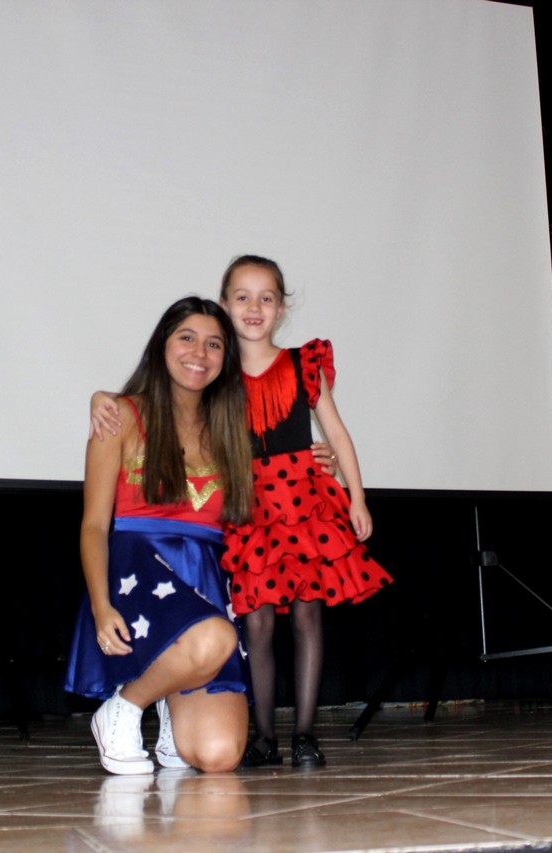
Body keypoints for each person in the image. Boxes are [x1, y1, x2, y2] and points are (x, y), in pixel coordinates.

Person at [90, 255, 393, 768]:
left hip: (302, 506)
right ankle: (263, 735)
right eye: (242, 297)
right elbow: (162, 396)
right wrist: (102, 396)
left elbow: (336, 431)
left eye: (266, 297)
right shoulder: (218, 378)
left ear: (282, 307)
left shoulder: (302, 363)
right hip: (251, 511)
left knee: (307, 613)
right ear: (226, 304)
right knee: (255, 623)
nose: (255, 307)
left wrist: (355, 493)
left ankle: (303, 733)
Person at [64, 296, 253, 776]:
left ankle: (168, 696)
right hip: (139, 572)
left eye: (214, 344)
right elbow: (93, 524)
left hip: (204, 579)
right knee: (214, 637)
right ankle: (124, 707)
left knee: (218, 755)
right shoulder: (120, 415)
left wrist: (321, 462)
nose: (199, 353)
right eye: (187, 338)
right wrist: (101, 606)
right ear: (162, 345)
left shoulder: (231, 429)